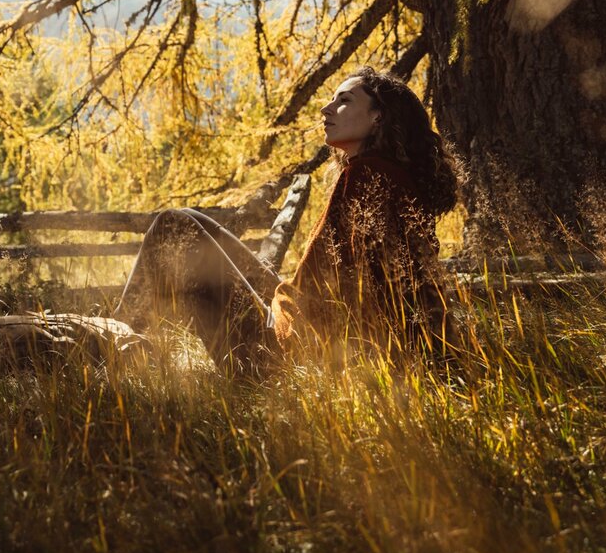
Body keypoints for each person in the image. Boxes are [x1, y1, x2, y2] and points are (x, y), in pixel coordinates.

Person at [114, 66, 459, 375]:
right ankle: (123, 339)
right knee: (189, 219)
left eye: (344, 101)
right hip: (294, 325)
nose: (326, 109)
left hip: (279, 356)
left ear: (377, 117)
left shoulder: (368, 175)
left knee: (173, 225)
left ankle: (112, 344)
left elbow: (359, 289)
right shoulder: (385, 174)